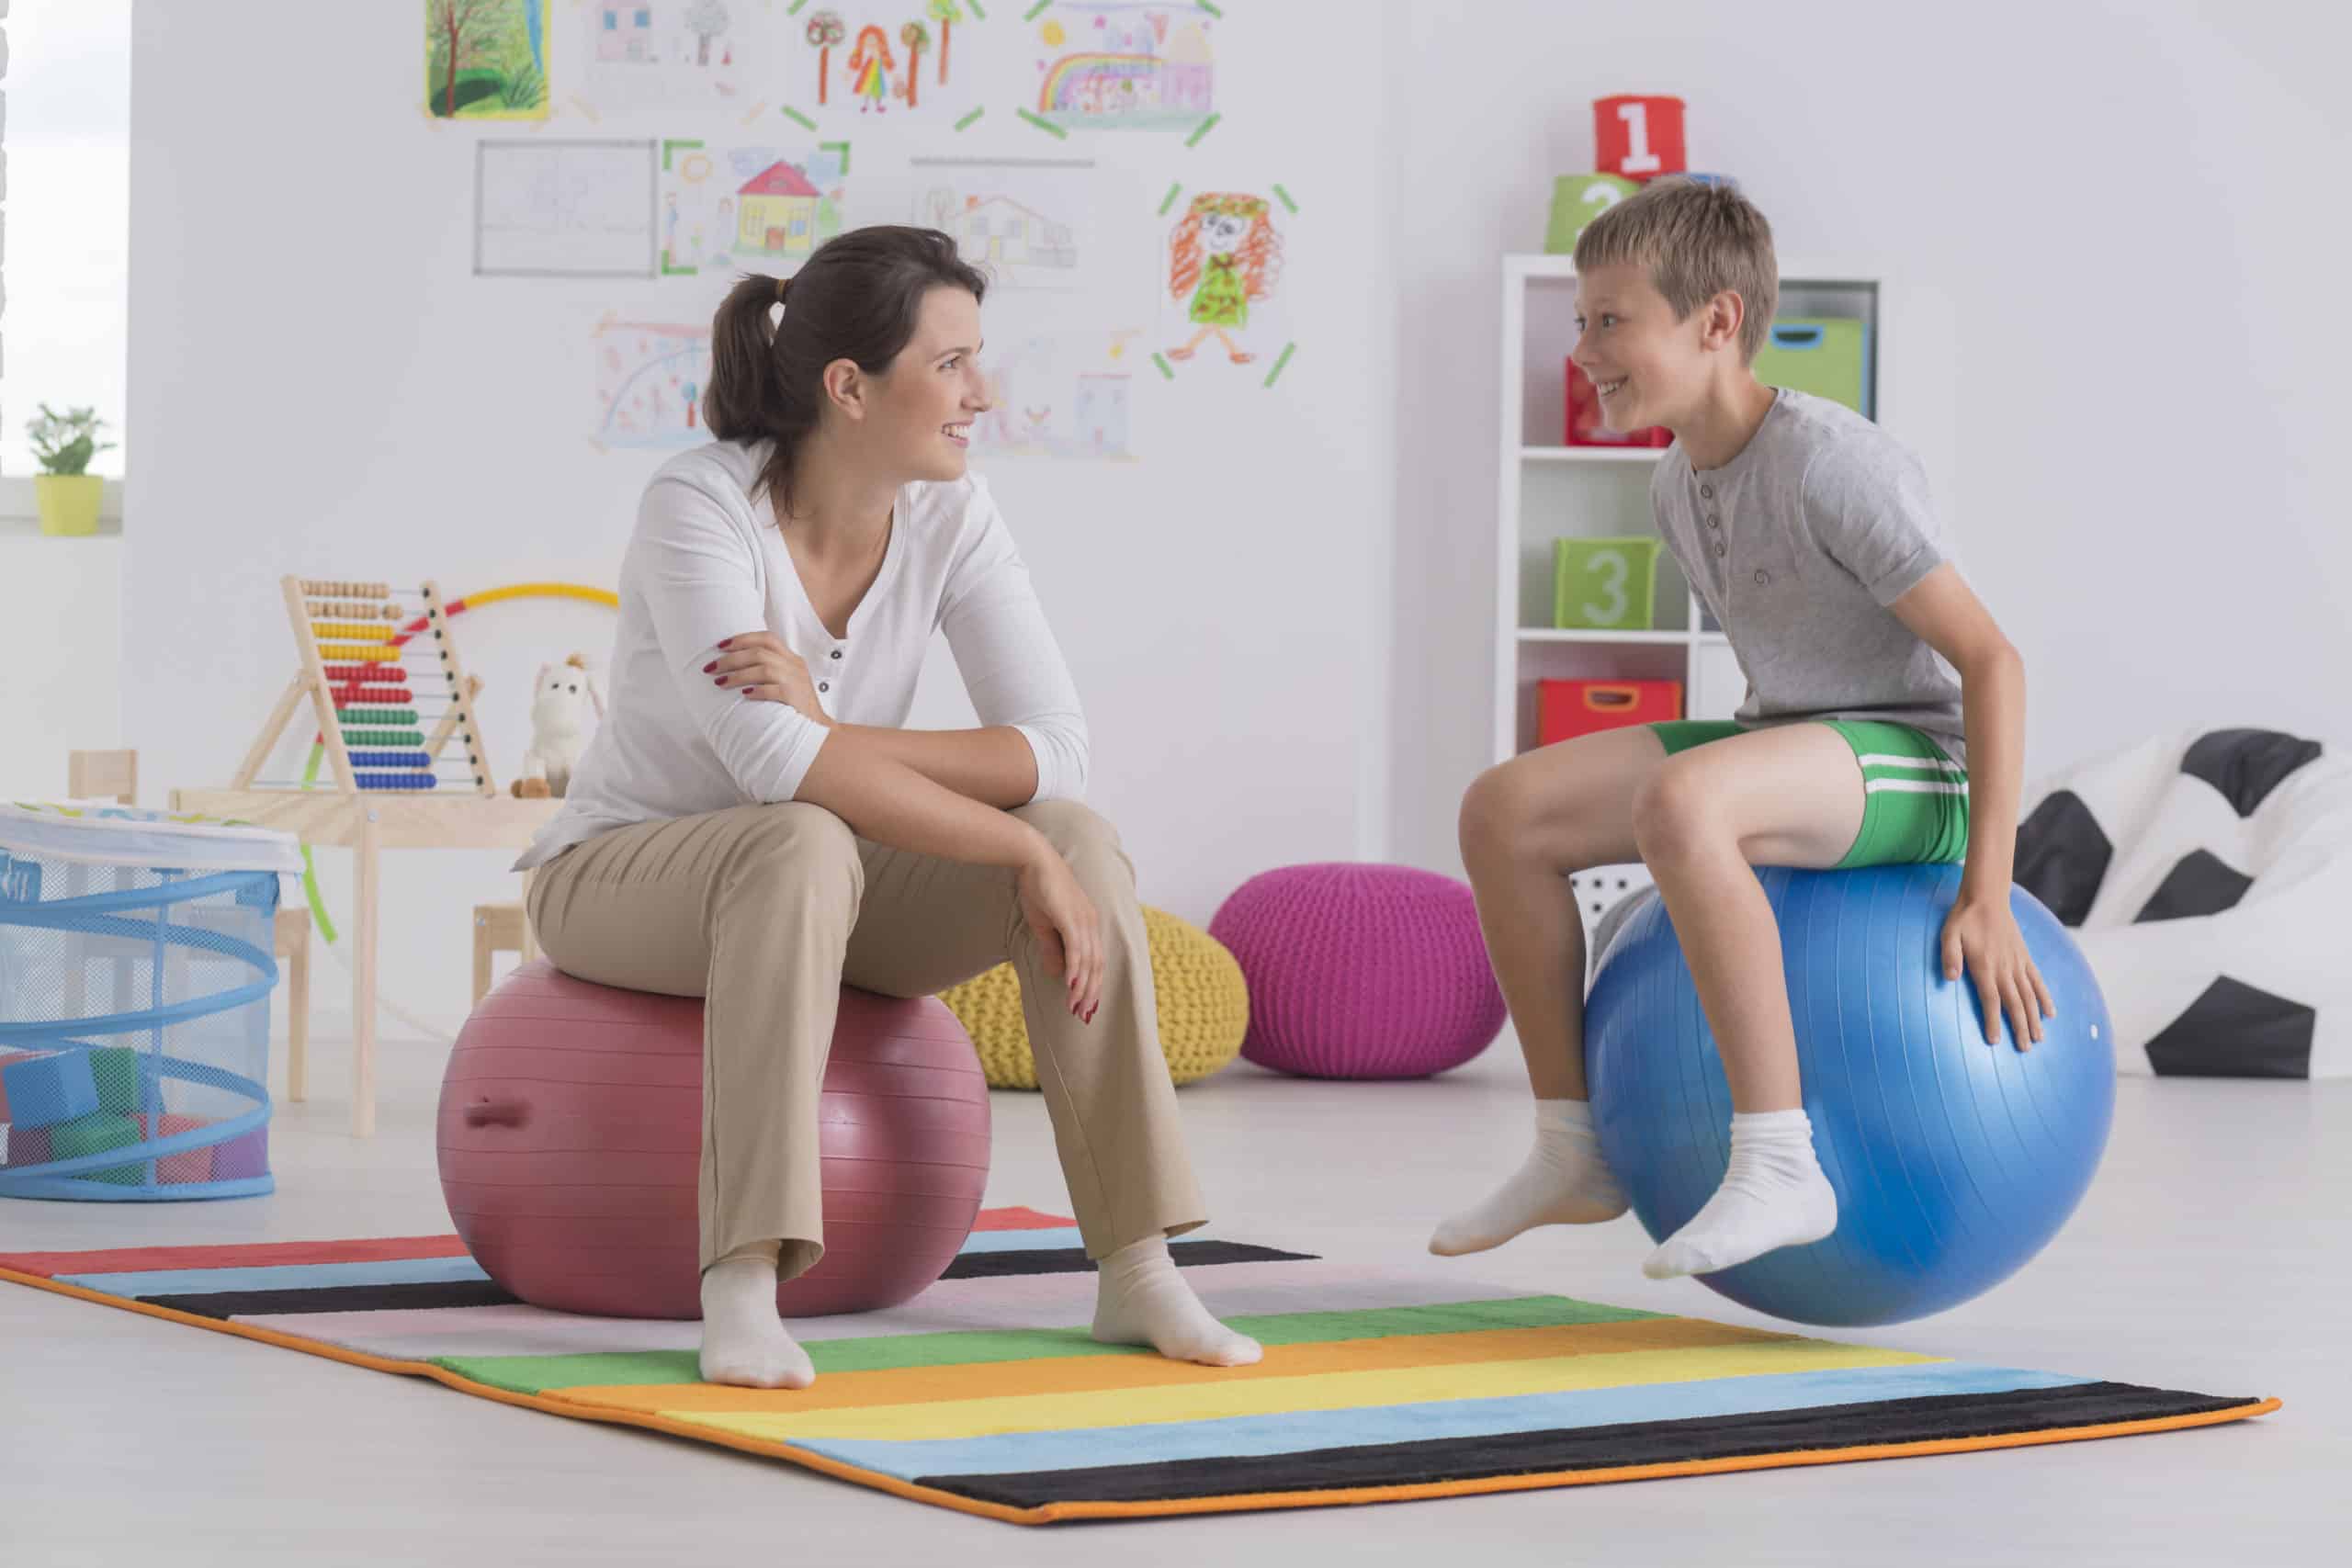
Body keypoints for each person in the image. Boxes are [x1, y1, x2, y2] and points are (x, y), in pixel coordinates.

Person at [514, 226, 1261, 1389]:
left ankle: (1139, 1264)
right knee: (814, 837)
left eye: (979, 358)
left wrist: (851, 733)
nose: (982, 392)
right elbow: (771, 762)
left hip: (829, 878)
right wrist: (1006, 839)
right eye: (952, 363)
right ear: (849, 387)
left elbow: (1053, 750)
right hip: (624, 873)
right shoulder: (698, 505)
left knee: (1080, 838)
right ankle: (744, 1276)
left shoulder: (955, 518)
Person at [1430, 178, 2053, 1282]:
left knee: (1685, 802)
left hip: (1919, 764)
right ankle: (1574, 1148)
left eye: (1609, 320)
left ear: (1715, 321)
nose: (1582, 350)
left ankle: (1779, 1160)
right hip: (1804, 744)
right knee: (1503, 809)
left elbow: (1990, 662)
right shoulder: (1677, 481)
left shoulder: (1831, 461)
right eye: (1580, 321)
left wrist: (1989, 893)